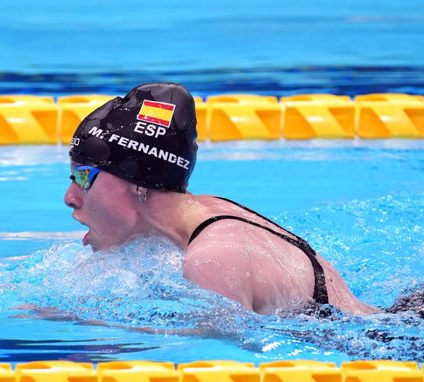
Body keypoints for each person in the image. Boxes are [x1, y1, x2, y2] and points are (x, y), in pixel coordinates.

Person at [64, 82, 378, 316]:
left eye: (83, 177)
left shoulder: (212, 259)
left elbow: (222, 358)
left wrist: (80, 320)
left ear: (139, 184)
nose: (70, 197)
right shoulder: (209, 211)